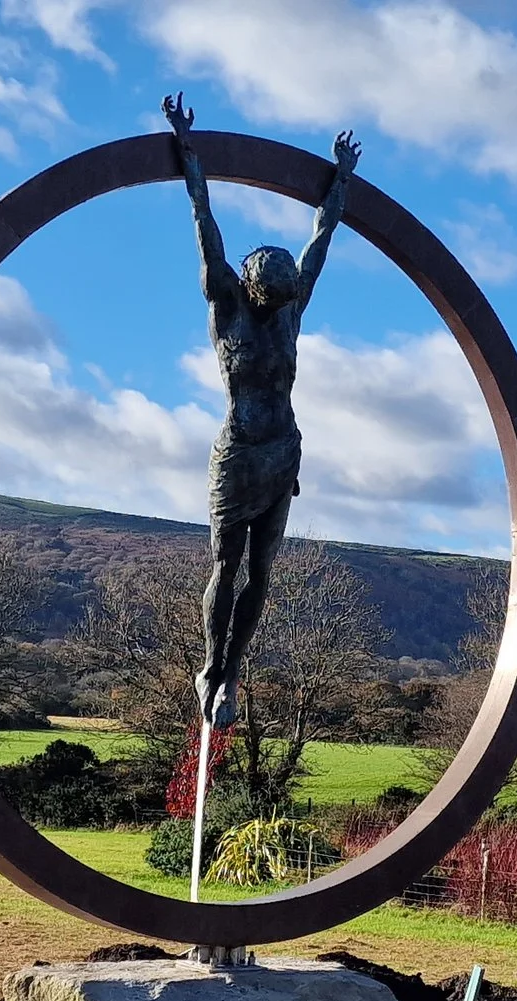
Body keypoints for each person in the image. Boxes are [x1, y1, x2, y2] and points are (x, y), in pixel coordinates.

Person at [163, 93, 359, 727]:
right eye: (272, 294)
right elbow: (203, 218)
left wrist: (342, 177)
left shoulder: (291, 310)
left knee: (263, 572)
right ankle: (210, 663)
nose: (281, 301)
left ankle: (231, 675)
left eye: (287, 295)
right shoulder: (228, 306)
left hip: (282, 454)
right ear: (251, 286)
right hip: (239, 452)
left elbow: (323, 237)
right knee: (226, 563)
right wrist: (187, 148)